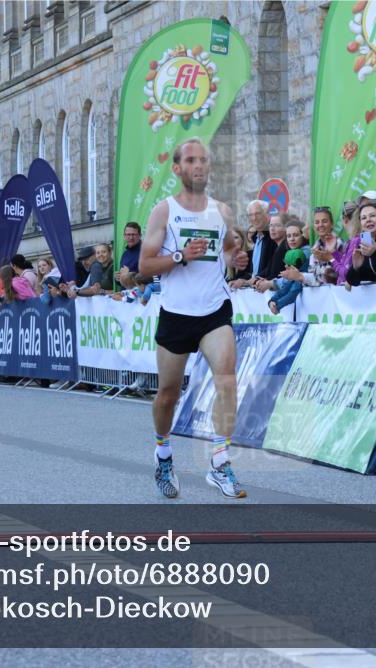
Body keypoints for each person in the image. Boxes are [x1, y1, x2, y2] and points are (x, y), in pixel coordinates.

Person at [139, 137, 249, 500]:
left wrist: (238, 260)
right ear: (177, 168)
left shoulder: (221, 211)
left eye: (203, 160)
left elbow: (231, 251)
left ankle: (219, 462)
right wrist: (180, 257)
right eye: (190, 160)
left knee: (227, 380)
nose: (198, 165)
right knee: (168, 394)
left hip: (214, 311)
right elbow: (144, 267)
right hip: (176, 313)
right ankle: (163, 453)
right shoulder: (164, 211)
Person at [267, 224, 310, 314]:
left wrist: (277, 305)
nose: (292, 239)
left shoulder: (307, 251)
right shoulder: (289, 253)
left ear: (303, 236)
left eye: (296, 235)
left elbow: (292, 290)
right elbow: (287, 284)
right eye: (288, 236)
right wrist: (272, 301)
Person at [245, 200, 276, 285]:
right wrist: (243, 280)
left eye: (258, 214)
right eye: (251, 215)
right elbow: (253, 271)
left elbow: (272, 268)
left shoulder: (273, 237)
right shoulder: (255, 238)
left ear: (267, 214)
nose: (254, 218)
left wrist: (253, 280)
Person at [117, 222, 144, 289]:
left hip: (140, 295)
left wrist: (128, 275)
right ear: (124, 236)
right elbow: (123, 283)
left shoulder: (146, 251)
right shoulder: (125, 254)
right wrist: (118, 279)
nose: (131, 237)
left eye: (134, 234)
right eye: (128, 234)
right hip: (125, 295)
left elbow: (150, 278)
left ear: (140, 235)